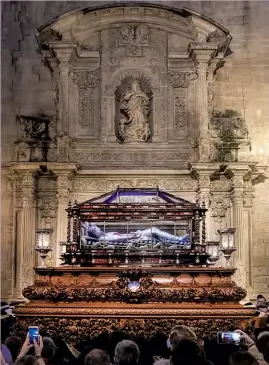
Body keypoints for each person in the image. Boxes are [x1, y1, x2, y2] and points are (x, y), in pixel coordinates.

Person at [84, 223, 189, 245]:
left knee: (155, 232)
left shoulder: (105, 234)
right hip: (132, 239)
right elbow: (119, 239)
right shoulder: (103, 238)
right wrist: (133, 235)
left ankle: (178, 239)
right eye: (97, 229)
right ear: (95, 232)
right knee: (154, 230)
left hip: (132, 236)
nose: (99, 229)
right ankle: (179, 240)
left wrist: (132, 233)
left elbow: (120, 236)